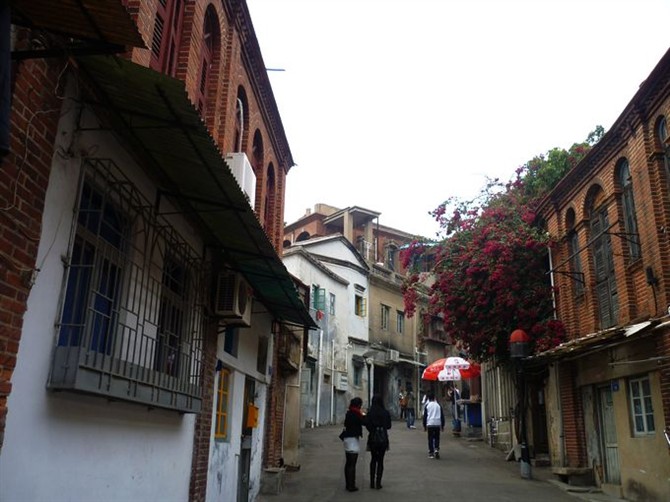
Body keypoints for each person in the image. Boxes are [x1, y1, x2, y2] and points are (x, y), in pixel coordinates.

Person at [365, 394, 391, 489]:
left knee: (373, 459)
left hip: (373, 438)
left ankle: (372, 482)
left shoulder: (370, 412)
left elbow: (366, 424)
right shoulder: (385, 412)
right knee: (380, 460)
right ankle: (378, 483)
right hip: (383, 438)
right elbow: (389, 426)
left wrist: (373, 429)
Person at [342, 397, 365, 492]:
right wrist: (363, 415)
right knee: (352, 463)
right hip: (352, 439)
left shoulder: (349, 412)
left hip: (347, 438)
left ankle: (348, 483)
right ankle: (351, 485)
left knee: (348, 463)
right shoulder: (356, 414)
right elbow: (363, 422)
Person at [422, 391, 444, 459]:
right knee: (437, 437)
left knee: (430, 438)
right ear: (434, 398)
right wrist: (442, 425)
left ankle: (431, 452)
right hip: (437, 423)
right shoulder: (438, 405)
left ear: (428, 398)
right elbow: (442, 416)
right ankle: (436, 449)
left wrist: (424, 425)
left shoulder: (427, 406)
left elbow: (425, 416)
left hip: (430, 423)